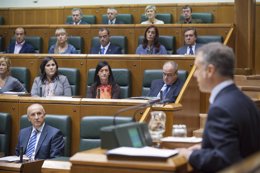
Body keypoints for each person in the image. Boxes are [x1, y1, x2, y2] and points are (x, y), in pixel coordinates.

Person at [178, 42, 260, 172]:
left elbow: (225, 161)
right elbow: (240, 147)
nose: (194, 74)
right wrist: (205, 149)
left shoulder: (221, 109)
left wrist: (190, 154)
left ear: (210, 70)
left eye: (197, 68)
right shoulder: (245, 100)